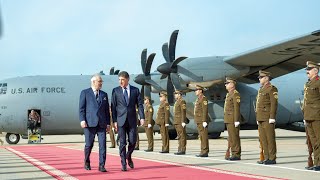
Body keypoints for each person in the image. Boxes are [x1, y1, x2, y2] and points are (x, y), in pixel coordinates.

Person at [111, 71, 145, 172]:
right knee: (122, 143)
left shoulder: (135, 90)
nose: (120, 82)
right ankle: (123, 163)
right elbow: (113, 107)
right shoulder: (115, 91)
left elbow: (140, 104)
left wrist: (142, 117)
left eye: (122, 80)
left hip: (132, 120)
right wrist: (115, 121)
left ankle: (128, 156)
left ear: (127, 79)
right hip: (120, 120)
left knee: (133, 141)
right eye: (119, 80)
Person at [79, 74, 110, 172]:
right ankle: (87, 161)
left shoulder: (104, 94)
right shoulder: (85, 93)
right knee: (89, 145)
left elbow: (106, 111)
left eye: (101, 82)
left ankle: (102, 165)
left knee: (103, 145)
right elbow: (81, 109)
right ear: (93, 82)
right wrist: (82, 120)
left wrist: (108, 123)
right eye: (99, 81)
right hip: (89, 123)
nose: (101, 83)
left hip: (101, 124)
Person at [256, 70, 278, 165]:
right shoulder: (261, 89)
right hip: (261, 117)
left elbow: (274, 104)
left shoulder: (271, 89)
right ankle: (266, 157)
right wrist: (257, 117)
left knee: (270, 138)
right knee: (263, 139)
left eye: (261, 77)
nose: (259, 79)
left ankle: (272, 158)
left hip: (267, 117)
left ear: (266, 78)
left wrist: (272, 117)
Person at [302, 61, 320, 171]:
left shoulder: (318, 83)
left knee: (319, 140)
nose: (307, 71)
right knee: (313, 142)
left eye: (309, 69)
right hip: (308, 115)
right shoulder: (308, 84)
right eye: (307, 69)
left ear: (316, 71)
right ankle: (316, 163)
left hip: (317, 116)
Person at [224, 77, 241, 160]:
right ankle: (233, 152)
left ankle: (236, 154)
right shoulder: (229, 94)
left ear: (232, 84)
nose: (225, 85)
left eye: (227, 83)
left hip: (233, 119)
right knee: (231, 137)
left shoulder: (235, 94)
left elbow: (236, 108)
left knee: (234, 137)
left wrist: (236, 120)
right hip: (229, 118)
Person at [194, 85, 209, 157]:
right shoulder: (198, 99)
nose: (195, 91)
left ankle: (205, 151)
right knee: (201, 136)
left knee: (204, 136)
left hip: (202, 120)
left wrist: (204, 120)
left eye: (196, 90)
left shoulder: (203, 99)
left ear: (200, 91)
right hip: (199, 120)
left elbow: (205, 110)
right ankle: (202, 150)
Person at [173, 90, 187, 155]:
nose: (175, 95)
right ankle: (180, 148)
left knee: (182, 135)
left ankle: (182, 149)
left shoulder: (182, 102)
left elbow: (183, 112)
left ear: (179, 95)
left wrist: (183, 121)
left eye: (176, 94)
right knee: (179, 136)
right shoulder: (177, 102)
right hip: (177, 121)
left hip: (180, 121)